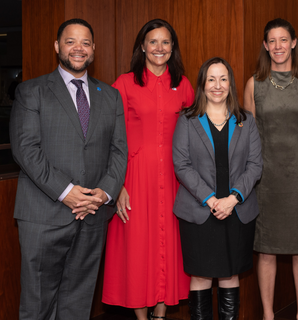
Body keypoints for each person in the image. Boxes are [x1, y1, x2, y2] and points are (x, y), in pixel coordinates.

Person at [9, 19, 128, 320]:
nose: (78, 48)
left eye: (85, 43)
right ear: (57, 47)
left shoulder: (110, 95)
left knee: (78, 304)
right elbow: (26, 151)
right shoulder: (31, 91)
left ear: (93, 50)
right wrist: (67, 193)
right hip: (43, 216)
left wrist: (102, 194)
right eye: (71, 41)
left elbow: (118, 151)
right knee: (38, 306)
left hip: (92, 216)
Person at [102, 19, 193, 320]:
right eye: (153, 42)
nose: (159, 48)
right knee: (139, 248)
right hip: (134, 178)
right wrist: (117, 186)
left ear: (172, 47)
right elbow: (109, 138)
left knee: (169, 244)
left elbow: (198, 131)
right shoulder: (124, 83)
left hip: (174, 177)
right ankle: (142, 317)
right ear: (142, 46)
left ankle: (161, 314)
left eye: (165, 42)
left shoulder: (183, 84)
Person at [243, 18, 298, 320]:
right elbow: (248, 135)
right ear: (266, 46)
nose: (278, 46)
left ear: (293, 42)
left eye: (283, 40)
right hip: (265, 180)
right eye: (272, 41)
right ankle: (268, 314)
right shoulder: (254, 84)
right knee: (266, 249)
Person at [172, 57, 263, 320]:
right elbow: (182, 165)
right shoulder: (187, 120)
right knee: (200, 274)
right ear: (202, 84)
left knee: (230, 273)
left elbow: (255, 165)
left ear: (230, 84)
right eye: (211, 79)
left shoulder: (246, 120)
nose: (217, 85)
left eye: (223, 79)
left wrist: (232, 199)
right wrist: (212, 200)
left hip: (237, 211)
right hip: (199, 212)